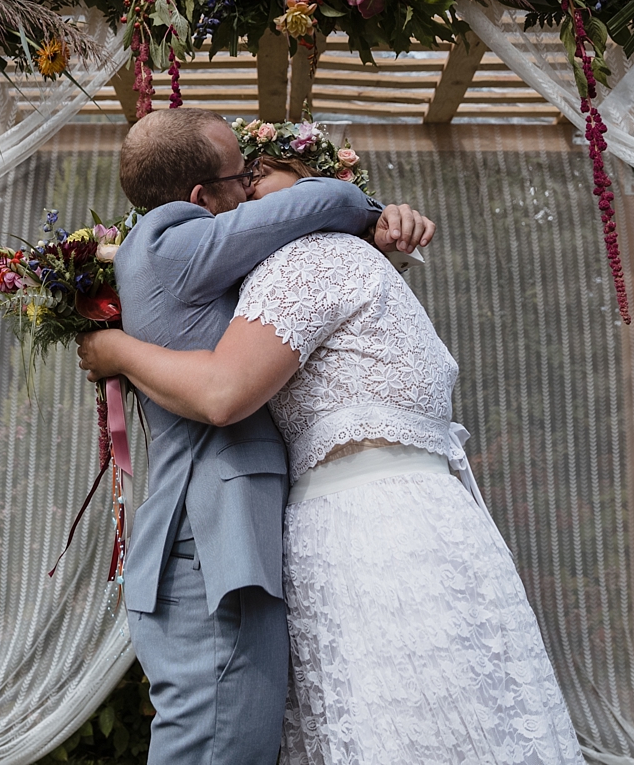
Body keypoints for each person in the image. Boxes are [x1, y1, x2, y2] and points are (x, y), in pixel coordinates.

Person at [80, 155, 585, 765]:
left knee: (399, 718)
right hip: (428, 515)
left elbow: (222, 393)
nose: (245, 200)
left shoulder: (304, 259)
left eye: (259, 183)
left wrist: (119, 350)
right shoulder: (356, 263)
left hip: (366, 528)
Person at [108, 107, 435, 765]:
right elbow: (330, 197)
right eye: (243, 176)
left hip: (220, 540)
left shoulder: (196, 264)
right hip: (209, 546)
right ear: (201, 198)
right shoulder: (170, 238)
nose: (250, 190)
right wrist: (365, 206)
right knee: (219, 745)